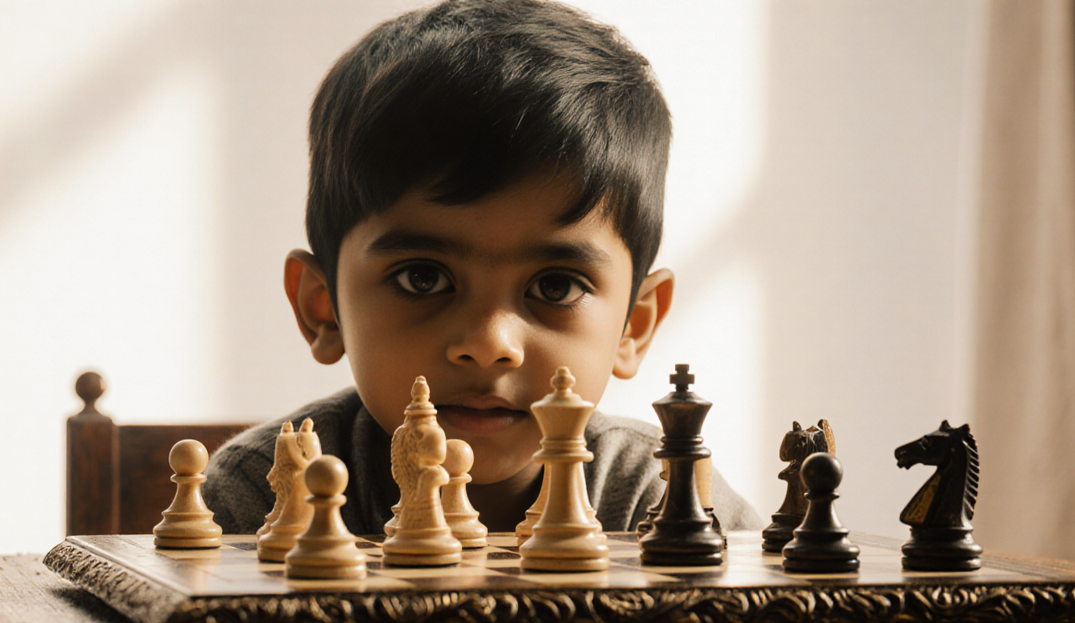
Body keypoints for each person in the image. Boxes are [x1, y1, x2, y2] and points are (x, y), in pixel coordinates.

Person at [205, 0, 757, 536]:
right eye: (422, 278)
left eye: (556, 285)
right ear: (322, 308)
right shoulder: (266, 492)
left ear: (634, 326)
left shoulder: (660, 494)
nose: (490, 343)